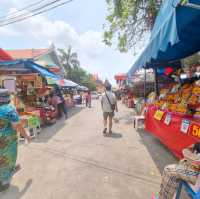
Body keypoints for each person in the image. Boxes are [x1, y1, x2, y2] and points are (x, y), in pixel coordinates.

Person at [0, 89, 31, 192]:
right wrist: (26, 137)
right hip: (6, 142)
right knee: (7, 159)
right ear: (8, 98)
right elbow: (17, 127)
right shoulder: (9, 110)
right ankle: (4, 182)